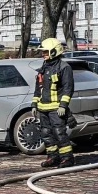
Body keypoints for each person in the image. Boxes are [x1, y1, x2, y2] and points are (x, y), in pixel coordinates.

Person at [32, 38, 75, 169]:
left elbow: (68, 88)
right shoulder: (43, 68)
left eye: (46, 51)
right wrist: (34, 105)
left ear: (55, 51)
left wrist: (63, 105)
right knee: (46, 133)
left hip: (56, 108)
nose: (43, 54)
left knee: (59, 133)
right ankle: (53, 157)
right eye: (43, 52)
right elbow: (38, 88)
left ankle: (67, 158)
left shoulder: (64, 67)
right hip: (43, 108)